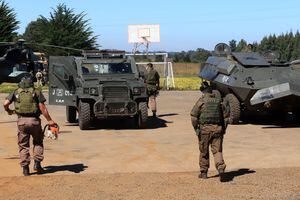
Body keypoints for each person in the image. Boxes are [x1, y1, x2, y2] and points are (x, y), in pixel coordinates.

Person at [3, 76, 56, 176]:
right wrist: (50, 120)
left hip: (21, 122)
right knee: (38, 142)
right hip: (35, 121)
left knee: (23, 145)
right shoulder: (36, 92)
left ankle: (25, 169)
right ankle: (37, 164)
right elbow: (42, 108)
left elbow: (5, 103)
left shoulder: (16, 92)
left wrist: (9, 111)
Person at [190, 81, 227, 182]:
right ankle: (221, 169)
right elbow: (226, 117)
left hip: (204, 130)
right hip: (217, 130)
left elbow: (193, 116)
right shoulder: (219, 101)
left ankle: (204, 173)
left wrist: (196, 129)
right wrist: (223, 129)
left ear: (203, 92)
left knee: (204, 151)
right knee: (217, 151)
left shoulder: (201, 101)